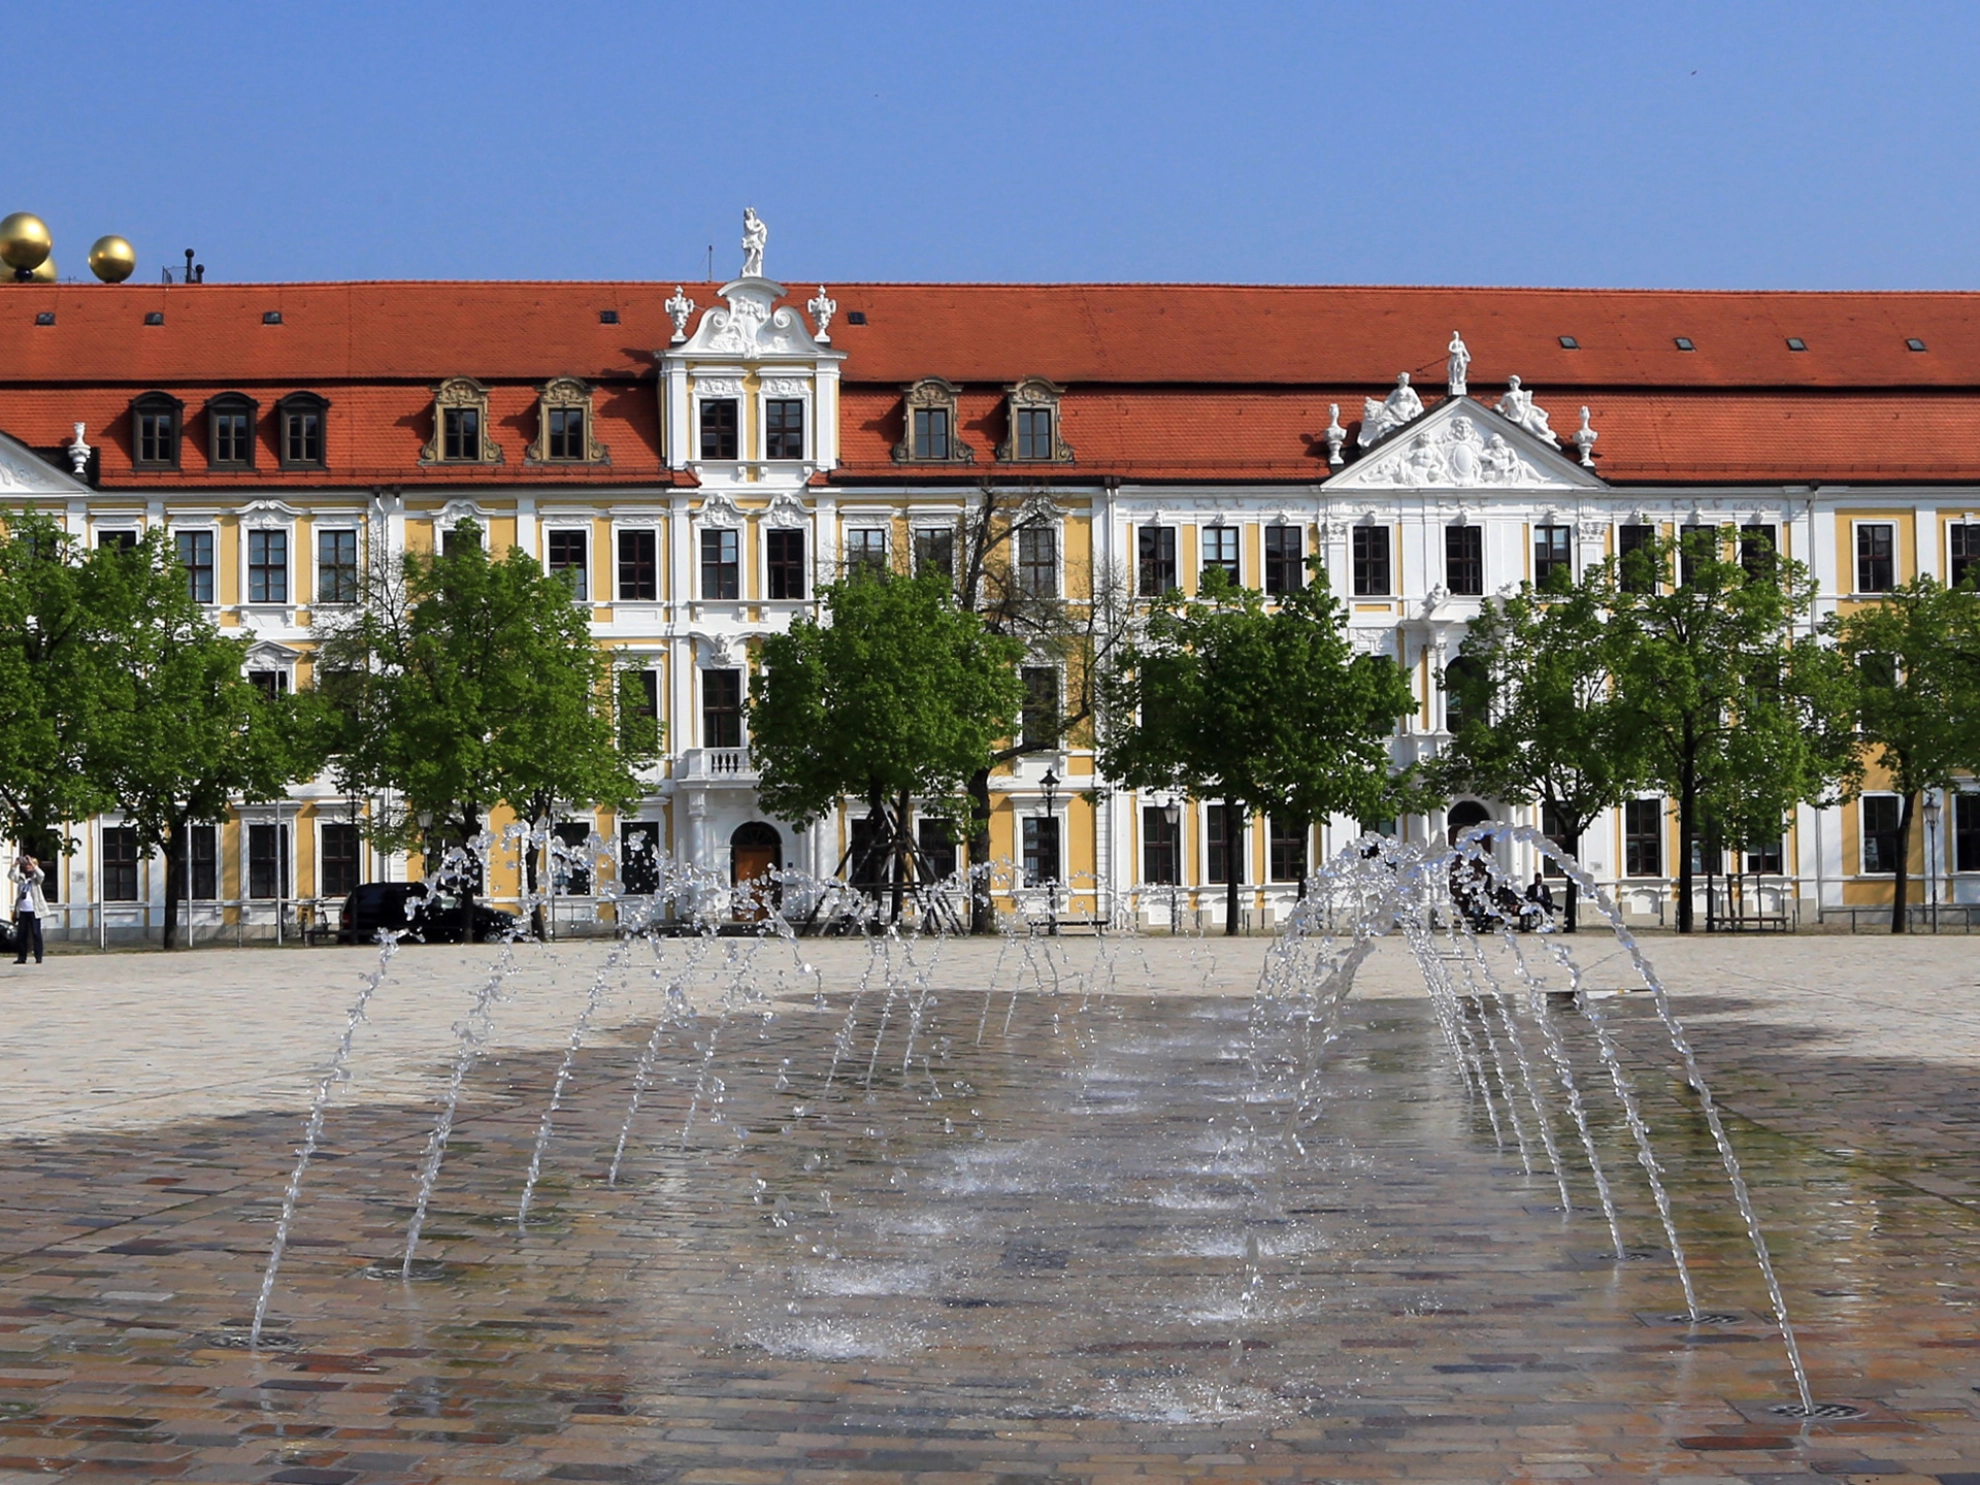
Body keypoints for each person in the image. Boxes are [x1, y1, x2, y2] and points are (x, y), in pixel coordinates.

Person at [10, 852, 46, 965]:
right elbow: (11, 876)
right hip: (22, 910)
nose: (27, 867)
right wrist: (15, 865)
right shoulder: (21, 878)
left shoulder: (36, 879)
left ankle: (38, 956)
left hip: (34, 910)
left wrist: (33, 864)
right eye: (26, 865)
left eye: (29, 865)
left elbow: (42, 875)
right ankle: (22, 957)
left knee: (36, 933)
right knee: (22, 934)